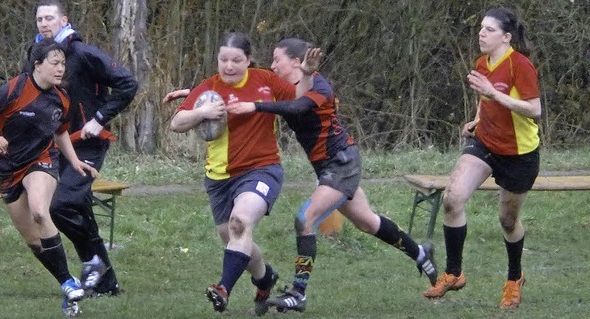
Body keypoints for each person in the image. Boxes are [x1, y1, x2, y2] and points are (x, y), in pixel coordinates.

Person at [226, 37, 438, 313]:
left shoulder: (321, 86)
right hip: (329, 167)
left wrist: (257, 105)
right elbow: (239, 86)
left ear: (295, 61)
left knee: (305, 219)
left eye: (277, 59)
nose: (272, 64)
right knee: (367, 222)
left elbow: (298, 107)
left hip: (341, 164)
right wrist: (195, 94)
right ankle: (422, 254)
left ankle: (298, 293)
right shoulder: (282, 86)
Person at [168, 31, 320, 315]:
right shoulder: (208, 88)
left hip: (262, 169)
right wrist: (203, 113)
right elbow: (177, 123)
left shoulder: (265, 80)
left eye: (236, 60)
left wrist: (307, 75)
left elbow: (302, 98)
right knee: (234, 238)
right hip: (219, 179)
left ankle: (223, 288)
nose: (228, 66)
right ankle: (265, 279)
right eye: (223, 59)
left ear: (249, 60)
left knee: (240, 223)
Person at [0, 38, 99, 315]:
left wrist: (74, 161)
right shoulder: (13, 90)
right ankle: (69, 282)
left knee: (40, 211)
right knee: (34, 241)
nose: (61, 69)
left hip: (42, 160)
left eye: (63, 63)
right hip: (7, 169)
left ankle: (74, 281)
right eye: (55, 63)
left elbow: (60, 131)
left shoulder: (62, 97)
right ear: (37, 64)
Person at [421, 8, 541, 309]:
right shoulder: (481, 63)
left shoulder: (520, 65)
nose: (481, 34)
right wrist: (476, 120)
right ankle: (454, 272)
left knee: (507, 220)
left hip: (519, 154)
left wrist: (493, 94)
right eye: (481, 28)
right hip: (485, 143)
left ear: (506, 37)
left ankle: (514, 279)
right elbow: (484, 99)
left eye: (489, 30)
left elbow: (534, 109)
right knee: (452, 199)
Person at [30, 0, 138, 298]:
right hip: (59, 145)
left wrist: (100, 117)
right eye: (39, 19)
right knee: (78, 207)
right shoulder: (37, 55)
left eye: (49, 17)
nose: (43, 23)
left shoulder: (84, 53)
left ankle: (92, 262)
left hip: (89, 142)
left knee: (59, 206)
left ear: (63, 20)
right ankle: (106, 281)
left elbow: (128, 83)